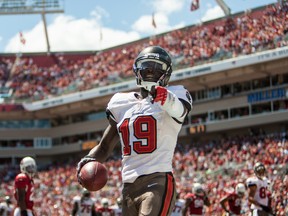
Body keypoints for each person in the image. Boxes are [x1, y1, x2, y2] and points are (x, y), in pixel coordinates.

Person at [77, 46, 193, 216]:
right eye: (147, 66)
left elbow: (179, 110)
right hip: (128, 186)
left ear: (166, 72)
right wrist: (88, 160)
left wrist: (166, 99)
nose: (151, 72)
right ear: (137, 70)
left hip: (157, 179)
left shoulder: (174, 95)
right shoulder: (122, 104)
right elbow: (104, 147)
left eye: (157, 68)